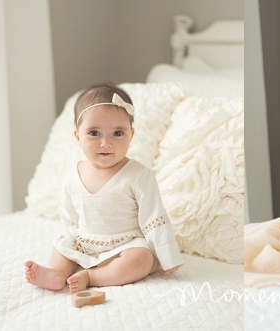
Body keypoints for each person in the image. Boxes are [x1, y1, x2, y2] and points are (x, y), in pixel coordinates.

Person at [25, 82, 184, 294]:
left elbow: (154, 218)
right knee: (62, 245)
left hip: (125, 244)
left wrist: (168, 256)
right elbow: (69, 219)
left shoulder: (138, 175)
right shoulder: (73, 176)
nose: (106, 143)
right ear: (77, 136)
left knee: (142, 259)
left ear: (131, 134)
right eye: (94, 133)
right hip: (85, 241)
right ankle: (56, 273)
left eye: (117, 133)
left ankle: (91, 276)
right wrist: (70, 243)